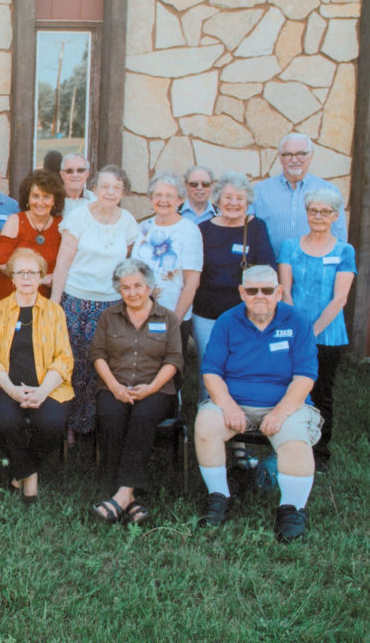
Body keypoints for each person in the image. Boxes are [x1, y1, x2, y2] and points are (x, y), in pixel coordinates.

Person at [195, 265, 322, 542]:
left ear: (279, 292)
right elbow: (211, 372)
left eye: (267, 290)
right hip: (235, 402)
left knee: (295, 439)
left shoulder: (297, 321)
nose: (260, 296)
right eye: (252, 291)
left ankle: (292, 509)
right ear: (242, 293)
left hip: (286, 404)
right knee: (206, 425)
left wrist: (281, 412)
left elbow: (305, 376)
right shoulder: (227, 321)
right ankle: (219, 496)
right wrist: (228, 406)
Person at [89, 259, 182, 526]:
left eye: (138, 286)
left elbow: (175, 359)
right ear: (119, 290)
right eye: (125, 287)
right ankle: (129, 499)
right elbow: (97, 355)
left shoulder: (168, 318)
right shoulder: (109, 317)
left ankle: (119, 496)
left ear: (150, 286)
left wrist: (151, 388)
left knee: (142, 417)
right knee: (111, 415)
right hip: (114, 386)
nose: (132, 293)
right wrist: (115, 387)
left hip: (157, 390)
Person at [0, 249, 73, 505]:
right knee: (5, 421)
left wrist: (42, 391)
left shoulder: (54, 312)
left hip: (48, 387)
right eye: (20, 272)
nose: (26, 278)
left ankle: (17, 475)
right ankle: (30, 477)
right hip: (4, 386)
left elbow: (64, 358)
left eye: (32, 272)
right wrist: (12, 390)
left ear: (42, 277)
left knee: (52, 423)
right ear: (12, 278)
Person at [50, 165, 138, 436]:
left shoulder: (128, 222)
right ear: (95, 188)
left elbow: (127, 265)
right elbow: (62, 263)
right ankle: (71, 424)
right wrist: (54, 305)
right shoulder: (78, 218)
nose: (110, 192)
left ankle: (101, 424)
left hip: (112, 306)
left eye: (117, 188)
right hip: (77, 302)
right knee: (75, 365)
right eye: (105, 186)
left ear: (124, 192)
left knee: (108, 365)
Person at [278, 189, 355, 472]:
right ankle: (288, 443)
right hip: (293, 331)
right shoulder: (289, 246)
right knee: (290, 388)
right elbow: (286, 291)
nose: (318, 216)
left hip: (329, 336)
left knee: (322, 392)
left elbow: (340, 299)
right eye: (313, 211)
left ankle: (320, 453)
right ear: (307, 213)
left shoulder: (344, 251)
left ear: (335, 216)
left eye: (325, 211)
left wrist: (312, 333)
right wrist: (298, 330)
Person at [191, 172, 276, 383]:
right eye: (228, 197)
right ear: (218, 200)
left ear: (248, 202)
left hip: (244, 313)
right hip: (206, 312)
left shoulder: (256, 227)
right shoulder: (203, 230)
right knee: (209, 366)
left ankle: (240, 402)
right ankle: (207, 402)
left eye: (240, 198)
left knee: (241, 365)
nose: (234, 203)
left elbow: (268, 269)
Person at [131, 173, 203, 349]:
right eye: (158, 195)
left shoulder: (189, 231)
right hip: (139, 315)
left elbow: (192, 283)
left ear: (180, 200)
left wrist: (175, 323)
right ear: (150, 198)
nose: (163, 200)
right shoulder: (143, 227)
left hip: (173, 316)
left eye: (169, 196)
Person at [254, 133, 347, 254]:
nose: (294, 159)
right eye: (288, 154)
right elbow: (248, 232)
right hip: (271, 264)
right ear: (280, 157)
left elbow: (339, 235)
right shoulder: (260, 191)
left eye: (301, 154)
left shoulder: (330, 191)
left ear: (311, 155)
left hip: (315, 264)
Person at [0, 168, 66, 306]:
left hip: (44, 301)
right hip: (11, 298)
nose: (40, 202)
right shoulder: (15, 221)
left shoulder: (61, 225)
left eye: (46, 196)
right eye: (35, 196)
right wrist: (40, 279)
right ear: (27, 198)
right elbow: (0, 264)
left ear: (54, 200)